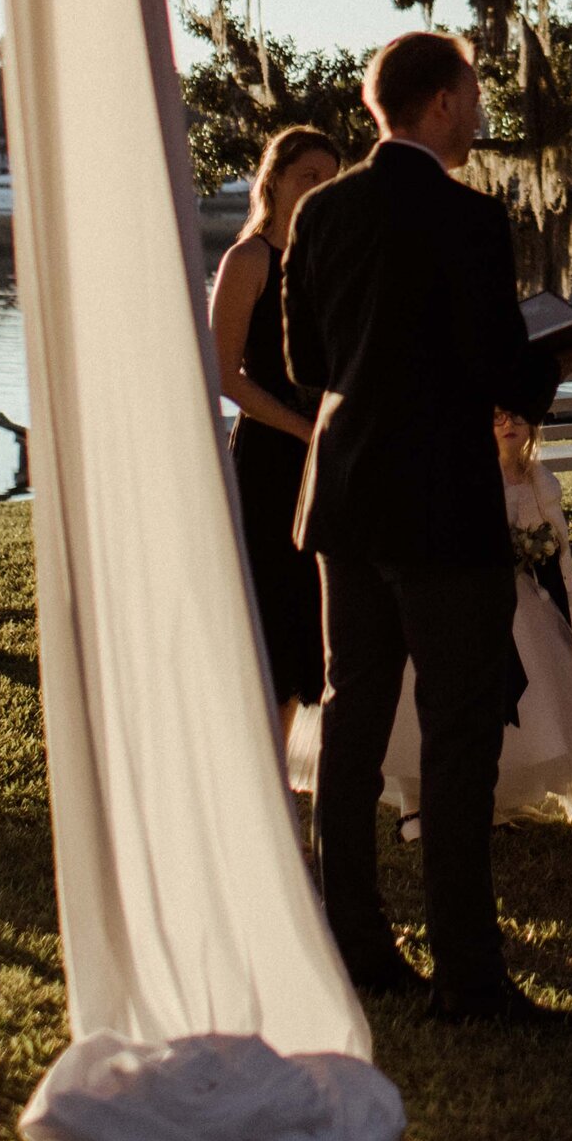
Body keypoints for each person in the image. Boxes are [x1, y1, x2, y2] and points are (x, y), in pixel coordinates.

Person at [285, 26, 565, 1024]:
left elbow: (311, 355)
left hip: (347, 495)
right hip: (441, 499)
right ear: (441, 102)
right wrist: (553, 358)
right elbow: (498, 361)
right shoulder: (469, 217)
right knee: (456, 736)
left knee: (351, 724)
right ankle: (468, 974)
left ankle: (353, 947)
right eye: (474, 91)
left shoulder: (320, 210)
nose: (480, 108)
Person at [372, 409, 572, 828]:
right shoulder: (467, 474)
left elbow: (556, 550)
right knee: (426, 701)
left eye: (516, 416)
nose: (507, 424)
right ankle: (414, 806)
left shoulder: (538, 480)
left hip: (525, 605)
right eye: (494, 416)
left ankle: (488, 798)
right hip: (464, 604)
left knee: (521, 705)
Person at [207, 124, 341, 730]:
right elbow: (224, 374)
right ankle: (264, 767)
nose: (318, 190)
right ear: (275, 182)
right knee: (274, 608)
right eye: (306, 177)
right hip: (269, 456)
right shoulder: (249, 259)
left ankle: (287, 765)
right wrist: (298, 427)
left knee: (319, 609)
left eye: (329, 181)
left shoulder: (332, 262)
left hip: (328, 455)